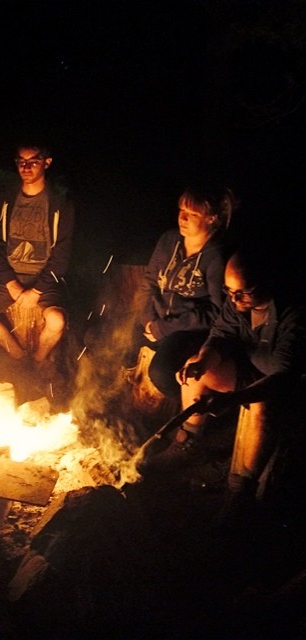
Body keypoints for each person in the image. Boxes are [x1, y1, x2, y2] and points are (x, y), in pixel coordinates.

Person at [149, 248, 306, 515]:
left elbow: (282, 377)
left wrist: (231, 398)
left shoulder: (292, 315)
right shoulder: (238, 303)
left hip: (282, 385)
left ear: (268, 283)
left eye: (242, 292)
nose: (233, 299)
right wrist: (201, 362)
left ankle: (240, 490)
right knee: (195, 369)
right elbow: (219, 337)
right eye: (228, 291)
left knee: (262, 405)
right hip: (252, 368)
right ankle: (186, 444)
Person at [0, 142, 75, 370]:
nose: (26, 167)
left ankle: (39, 359)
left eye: (33, 161)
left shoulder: (59, 204)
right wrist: (11, 283)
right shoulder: (6, 201)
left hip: (44, 278)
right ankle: (18, 356)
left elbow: (62, 253)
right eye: (21, 162)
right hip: (10, 276)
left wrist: (37, 290)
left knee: (57, 320)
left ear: (47, 163)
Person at [130, 184, 231, 399]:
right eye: (181, 211)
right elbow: (149, 282)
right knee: (101, 341)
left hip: (188, 330)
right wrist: (148, 319)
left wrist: (164, 328)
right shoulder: (169, 240)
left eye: (192, 214)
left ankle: (197, 408)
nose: (183, 219)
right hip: (156, 320)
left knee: (161, 373)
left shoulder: (216, 257)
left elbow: (217, 313)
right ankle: (116, 408)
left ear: (211, 218)